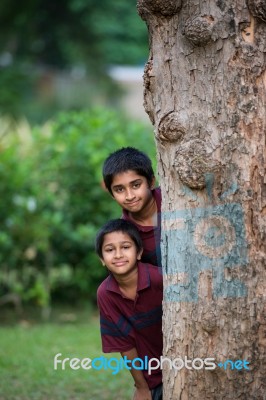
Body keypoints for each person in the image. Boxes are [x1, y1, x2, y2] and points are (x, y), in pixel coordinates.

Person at [95, 219, 163, 400]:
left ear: (139, 252)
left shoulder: (160, 279)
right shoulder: (106, 293)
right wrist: (141, 387)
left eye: (125, 247)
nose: (118, 254)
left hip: (188, 366)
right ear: (102, 259)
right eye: (109, 250)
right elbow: (124, 344)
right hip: (151, 377)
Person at [102, 147, 161, 267]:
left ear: (151, 182)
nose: (129, 196)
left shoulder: (174, 199)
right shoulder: (123, 235)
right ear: (112, 194)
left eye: (136, 185)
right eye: (119, 189)